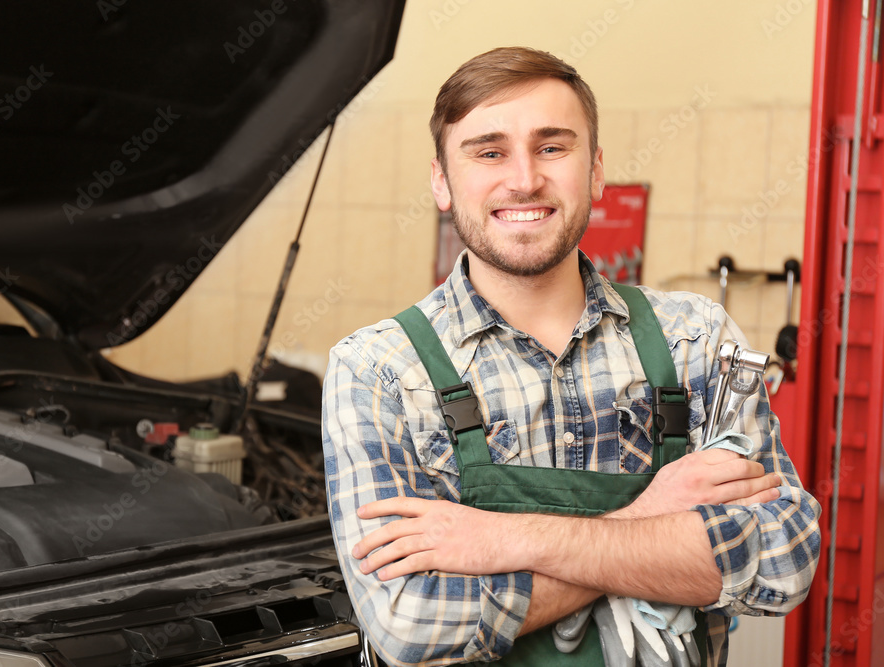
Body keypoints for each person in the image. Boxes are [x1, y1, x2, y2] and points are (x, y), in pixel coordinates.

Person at [321, 46, 820, 667]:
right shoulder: (381, 371)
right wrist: (651, 524)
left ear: (596, 170)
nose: (524, 179)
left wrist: (504, 539)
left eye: (552, 147)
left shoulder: (693, 337)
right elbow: (412, 626)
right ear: (442, 182)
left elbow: (783, 559)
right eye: (488, 151)